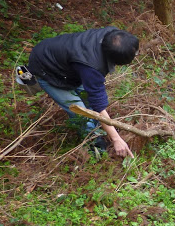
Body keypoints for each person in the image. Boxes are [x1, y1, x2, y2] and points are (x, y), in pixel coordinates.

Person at [28, 26, 138, 158]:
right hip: (46, 69)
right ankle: (95, 147)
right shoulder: (92, 68)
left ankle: (100, 129)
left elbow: (94, 100)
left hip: (64, 60)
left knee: (89, 103)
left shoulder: (112, 34)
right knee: (81, 113)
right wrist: (116, 139)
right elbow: (99, 105)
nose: (137, 54)